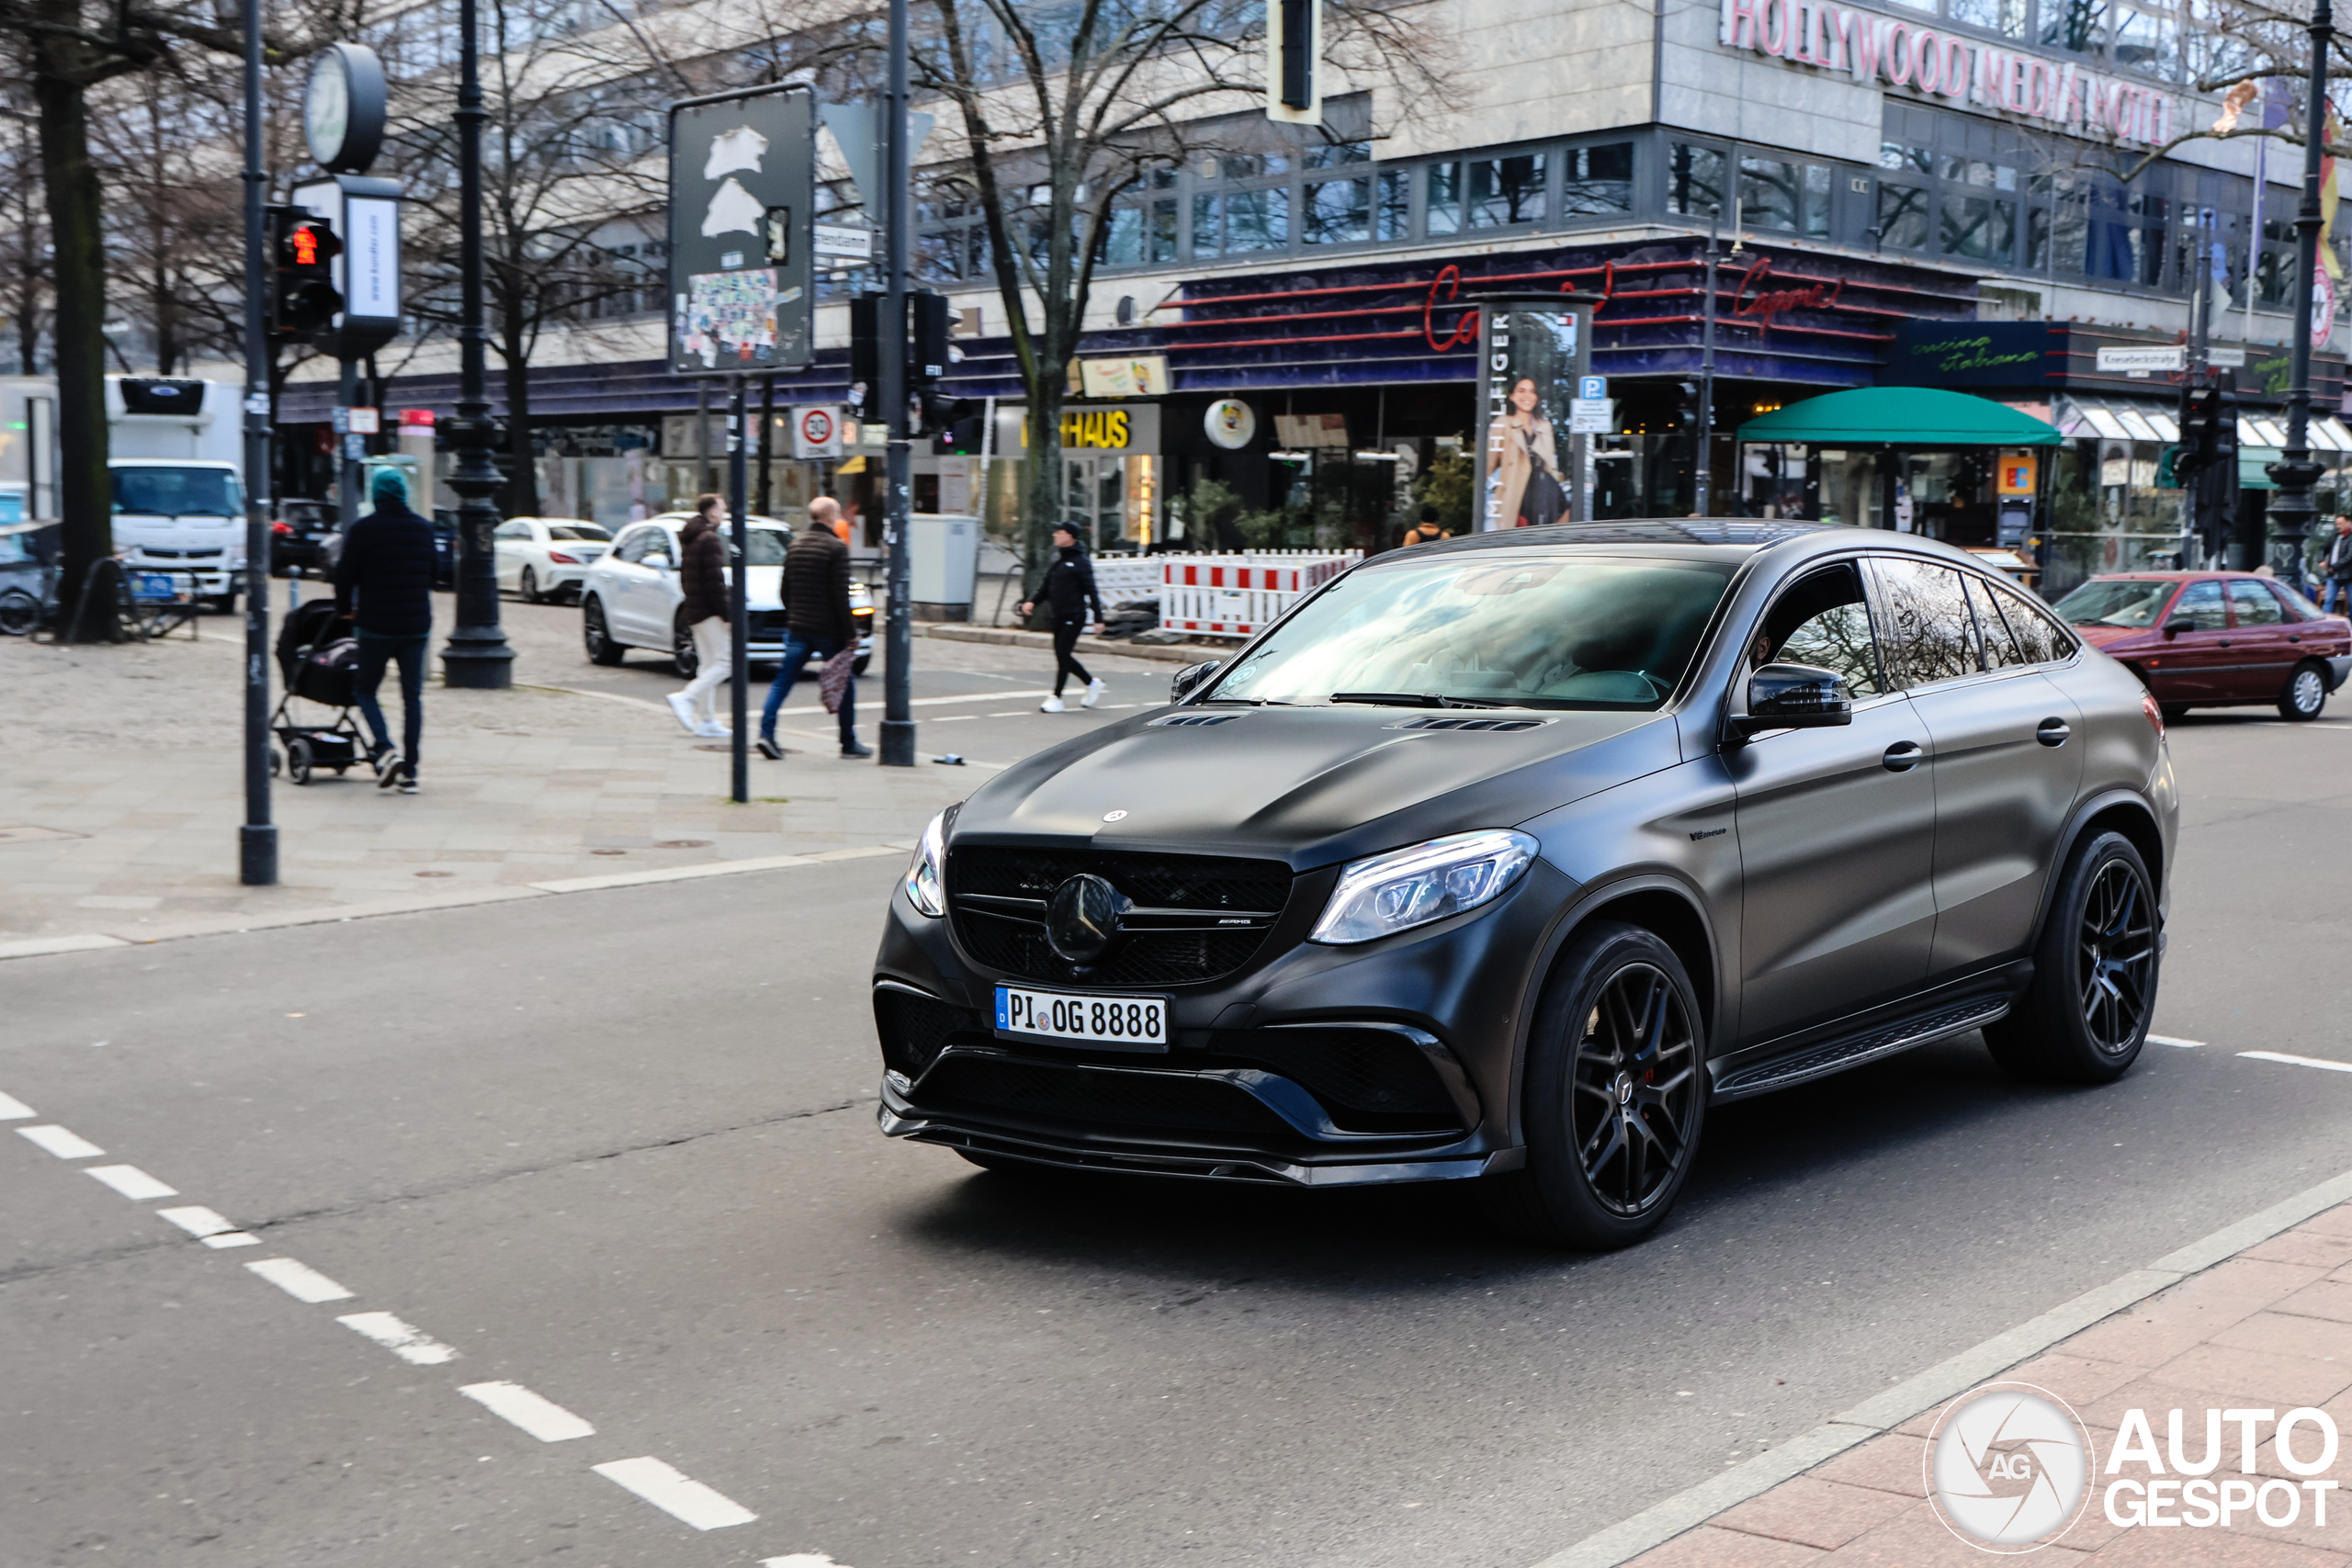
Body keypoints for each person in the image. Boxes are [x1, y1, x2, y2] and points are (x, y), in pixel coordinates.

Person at [333, 469, 435, 795]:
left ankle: (385, 748)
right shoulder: (423, 528)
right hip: (415, 627)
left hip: (376, 626)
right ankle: (411, 773)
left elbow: (344, 575)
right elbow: (433, 573)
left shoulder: (364, 530)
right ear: (403, 493)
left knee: (365, 690)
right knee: (412, 698)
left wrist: (344, 610)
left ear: (375, 494)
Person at [757, 496, 870, 760]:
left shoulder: (795, 546)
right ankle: (848, 742)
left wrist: (795, 613)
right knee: (844, 682)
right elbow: (841, 597)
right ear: (831, 516)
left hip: (798, 627)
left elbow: (785, 590)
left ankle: (766, 733)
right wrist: (851, 633)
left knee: (782, 682)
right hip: (829, 630)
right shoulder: (836, 548)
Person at [1019, 523, 1106, 712]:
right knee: (1061, 655)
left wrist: (1099, 618)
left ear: (1070, 536)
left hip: (1075, 615)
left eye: (1059, 532)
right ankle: (1091, 683)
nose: (1054, 535)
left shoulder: (1081, 561)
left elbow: (1092, 591)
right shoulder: (1059, 560)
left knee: (1063, 654)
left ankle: (1056, 697)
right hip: (1058, 615)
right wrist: (1032, 601)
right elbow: (1046, 585)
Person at [665, 494, 731, 739]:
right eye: (722, 508)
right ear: (713, 511)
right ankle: (687, 697)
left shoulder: (692, 537)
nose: (724, 512)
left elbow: (688, 577)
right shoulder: (710, 538)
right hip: (710, 610)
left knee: (708, 665)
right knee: (726, 662)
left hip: (695, 609)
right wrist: (725, 613)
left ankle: (706, 721)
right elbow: (715, 581)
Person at [1487, 376, 1569, 528]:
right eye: (1521, 391)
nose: (1527, 396)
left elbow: (1551, 461)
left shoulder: (1544, 425)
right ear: (1512, 396)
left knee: (1566, 512)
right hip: (1517, 488)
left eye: (1532, 391)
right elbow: (1490, 464)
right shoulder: (1502, 423)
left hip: (1544, 486)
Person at [2323, 516, 2352, 614]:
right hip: (2333, 575)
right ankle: (2324, 626)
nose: (2338, 526)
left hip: (2348, 575)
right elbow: (2323, 548)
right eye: (2337, 524)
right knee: (2328, 601)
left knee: (2351, 602)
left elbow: (2349, 556)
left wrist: (2335, 566)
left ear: (2349, 523)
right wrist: (2320, 560)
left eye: (2340, 524)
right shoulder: (2335, 537)